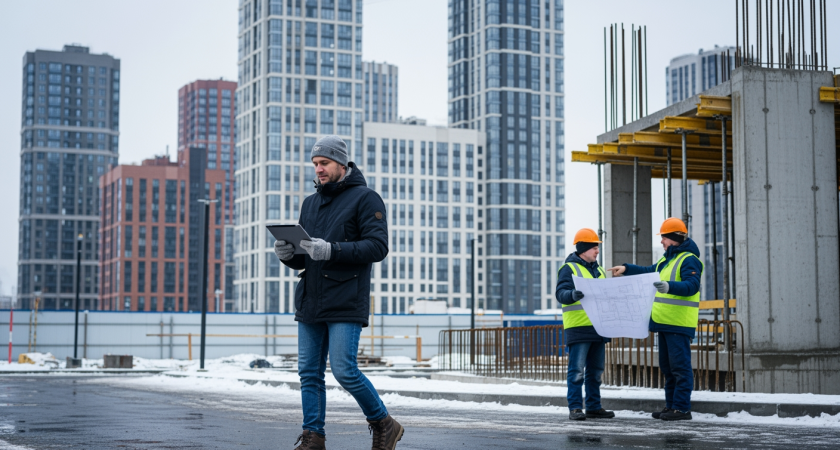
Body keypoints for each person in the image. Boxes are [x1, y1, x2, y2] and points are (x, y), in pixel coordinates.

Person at [274, 136, 404, 449]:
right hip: (311, 300)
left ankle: (384, 423)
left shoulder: (366, 199)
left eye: (324, 163)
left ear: (341, 164)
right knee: (309, 373)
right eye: (315, 164)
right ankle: (313, 437)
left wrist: (332, 249)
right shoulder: (310, 203)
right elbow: (307, 256)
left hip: (346, 299)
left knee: (345, 370)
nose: (318, 169)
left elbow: (378, 247)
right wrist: (288, 254)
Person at [607, 217, 703, 421]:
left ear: (674, 238)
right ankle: (671, 406)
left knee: (680, 368)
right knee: (668, 369)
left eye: (664, 238)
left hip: (678, 323)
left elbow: (692, 286)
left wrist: (669, 286)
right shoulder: (666, 260)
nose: (661, 241)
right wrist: (626, 269)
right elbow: (648, 272)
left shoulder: (689, 259)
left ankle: (682, 409)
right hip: (664, 324)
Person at [555, 228, 615, 421]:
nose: (597, 251)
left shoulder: (599, 270)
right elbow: (560, 293)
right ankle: (575, 408)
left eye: (597, 247)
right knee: (577, 371)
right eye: (594, 247)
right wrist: (572, 295)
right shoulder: (569, 269)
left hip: (599, 327)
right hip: (579, 327)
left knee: (596, 372)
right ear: (583, 249)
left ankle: (593, 407)